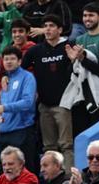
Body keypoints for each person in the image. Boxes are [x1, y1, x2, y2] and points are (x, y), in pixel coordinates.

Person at [21, 15, 73, 167]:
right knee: (49, 147)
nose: (48, 29)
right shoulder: (36, 50)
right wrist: (5, 77)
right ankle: (52, 180)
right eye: (46, 26)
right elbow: (20, 70)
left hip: (64, 104)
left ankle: (69, 180)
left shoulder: (69, 47)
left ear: (60, 29)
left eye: (52, 26)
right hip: (44, 105)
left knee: (66, 145)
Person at [0, 47, 38, 167]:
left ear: (20, 61)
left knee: (24, 171)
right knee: (4, 174)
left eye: (12, 59)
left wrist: (4, 108)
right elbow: (0, 108)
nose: (9, 62)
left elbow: (28, 102)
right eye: (6, 59)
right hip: (3, 134)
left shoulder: (27, 77)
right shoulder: (5, 80)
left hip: (22, 131)